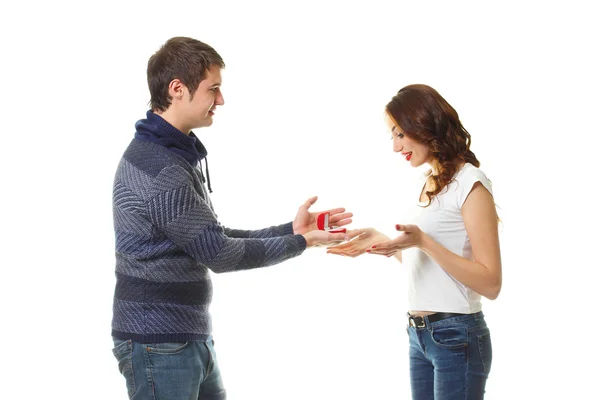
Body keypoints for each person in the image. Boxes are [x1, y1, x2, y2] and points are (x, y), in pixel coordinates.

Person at [111, 36, 353, 400]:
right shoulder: (161, 168)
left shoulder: (169, 155)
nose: (220, 100)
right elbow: (219, 254)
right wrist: (302, 242)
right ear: (178, 89)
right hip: (159, 344)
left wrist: (291, 229)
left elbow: (211, 236)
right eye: (214, 89)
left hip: (182, 338)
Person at [327, 84, 502, 399]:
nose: (396, 147)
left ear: (422, 124)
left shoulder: (471, 182)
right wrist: (385, 242)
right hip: (419, 335)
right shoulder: (429, 183)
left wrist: (423, 242)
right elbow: (436, 269)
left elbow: (490, 283)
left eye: (399, 134)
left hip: (456, 335)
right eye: (391, 136)